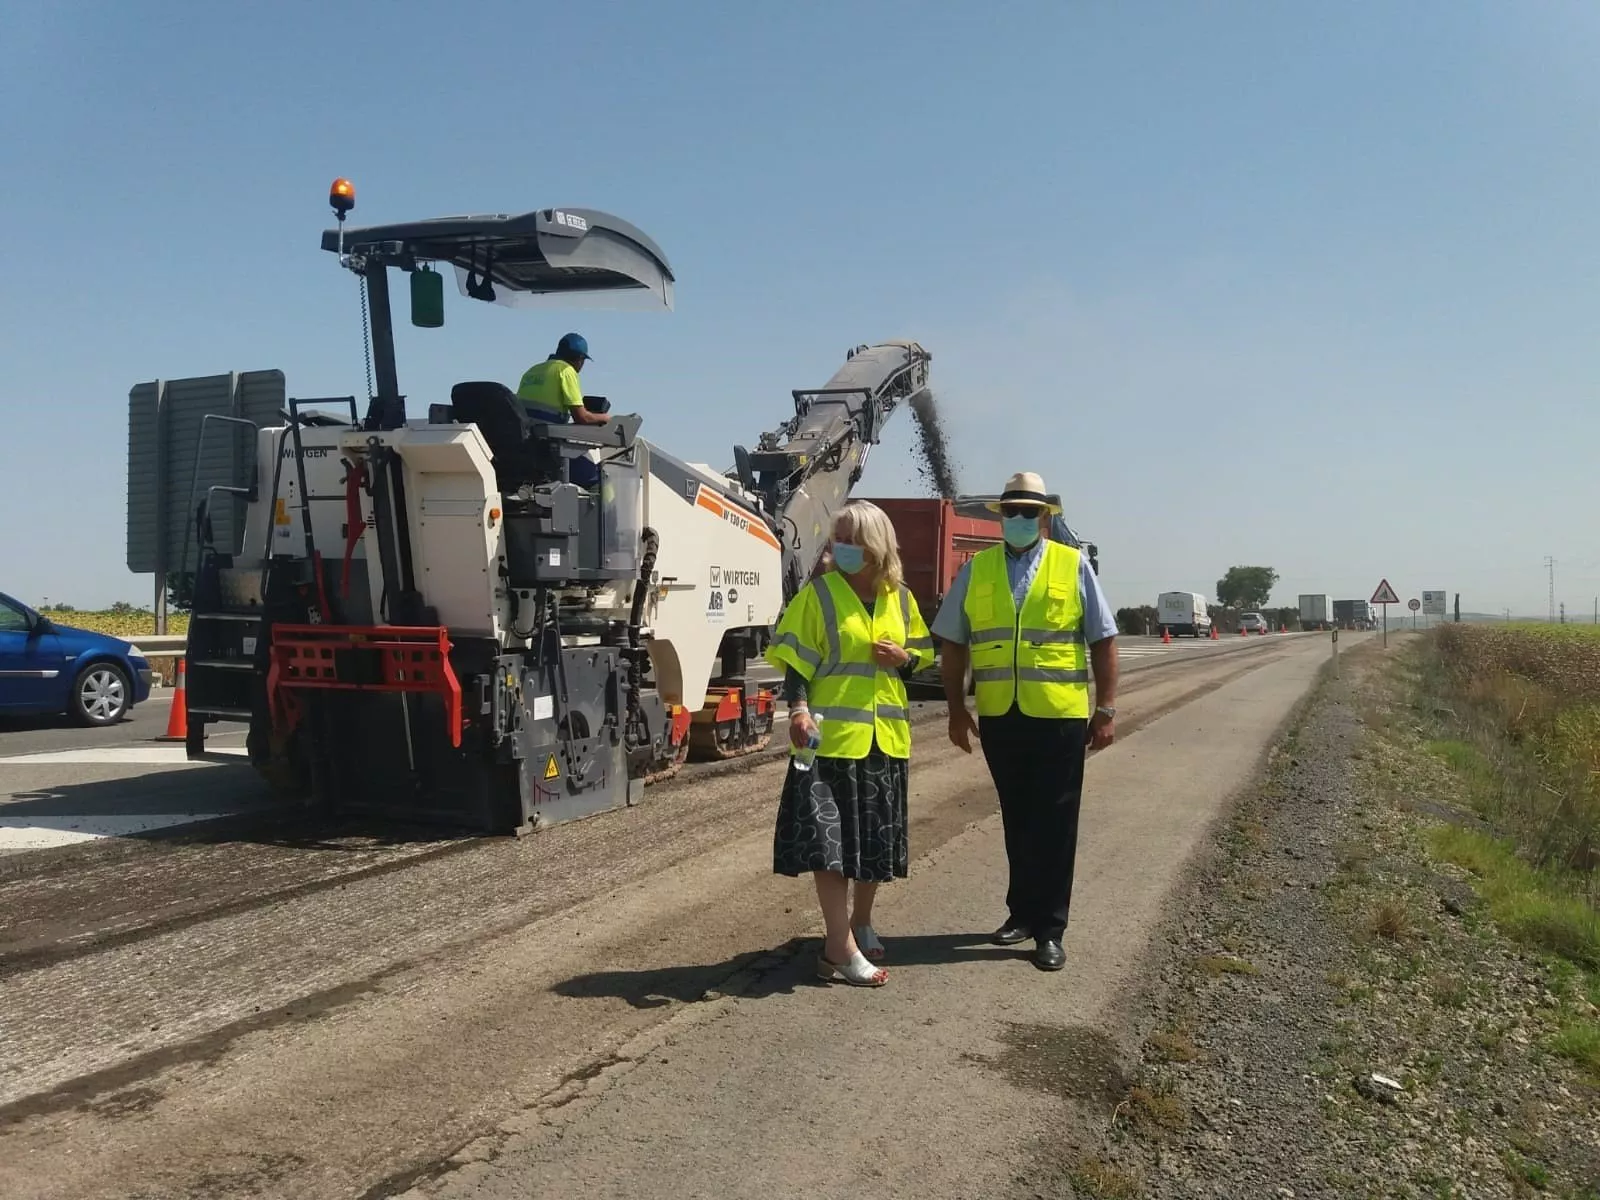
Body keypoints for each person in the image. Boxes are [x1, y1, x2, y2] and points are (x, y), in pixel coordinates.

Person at [930, 471, 1118, 972]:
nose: (1018, 519)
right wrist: (954, 710)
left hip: (1058, 717)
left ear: (1044, 517)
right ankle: (1021, 913)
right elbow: (952, 642)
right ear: (1000, 517)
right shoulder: (978, 569)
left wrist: (1106, 710)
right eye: (1010, 511)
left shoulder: (1072, 565)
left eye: (1027, 512)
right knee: (1016, 817)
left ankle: (1050, 929)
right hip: (1000, 716)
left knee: (1055, 822)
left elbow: (1103, 639)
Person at [766, 500, 935, 987]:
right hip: (830, 741)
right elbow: (795, 663)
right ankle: (838, 946)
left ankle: (861, 921)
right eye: (837, 538)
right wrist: (796, 709)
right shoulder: (818, 596)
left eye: (851, 539)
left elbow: (921, 658)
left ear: (876, 546)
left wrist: (904, 657)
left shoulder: (900, 599)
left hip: (885, 740)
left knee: (873, 846)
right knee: (830, 846)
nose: (841, 547)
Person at [515, 332, 610, 427]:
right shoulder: (566, 371)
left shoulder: (532, 370)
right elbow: (582, 417)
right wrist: (607, 418)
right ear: (580, 359)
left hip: (523, 432)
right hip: (546, 436)